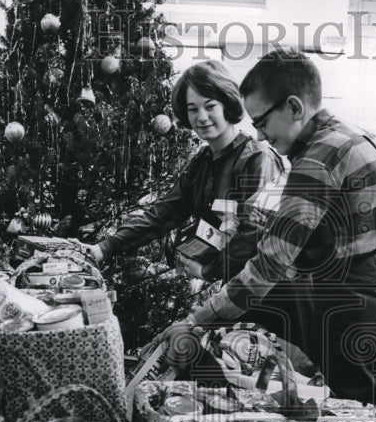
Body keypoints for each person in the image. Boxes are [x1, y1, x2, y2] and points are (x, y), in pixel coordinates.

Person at [156, 47, 376, 409]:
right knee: (359, 416)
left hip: (353, 304)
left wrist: (195, 320)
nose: (261, 135)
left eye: (262, 121)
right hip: (375, 294)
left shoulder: (319, 158)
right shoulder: (360, 137)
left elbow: (270, 264)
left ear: (295, 107)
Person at [83, 60, 311, 351]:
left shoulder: (257, 159)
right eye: (193, 109)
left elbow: (252, 234)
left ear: (227, 104)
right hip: (235, 294)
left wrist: (208, 272)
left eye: (210, 105)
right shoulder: (202, 163)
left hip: (270, 297)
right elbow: (163, 213)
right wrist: (105, 248)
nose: (201, 117)